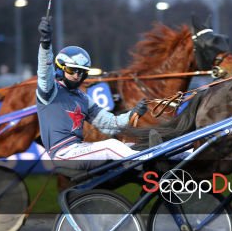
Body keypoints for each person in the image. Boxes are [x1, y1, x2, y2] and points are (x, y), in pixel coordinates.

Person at [36, 16, 148, 170]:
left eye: (82, 72)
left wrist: (132, 114)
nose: (77, 75)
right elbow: (44, 72)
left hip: (79, 149)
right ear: (60, 68)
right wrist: (45, 44)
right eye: (72, 70)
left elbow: (110, 125)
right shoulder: (49, 92)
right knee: (112, 146)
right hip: (63, 154)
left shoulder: (83, 98)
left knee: (133, 145)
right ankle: (148, 165)